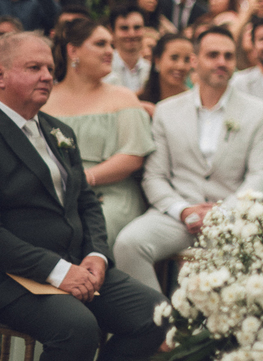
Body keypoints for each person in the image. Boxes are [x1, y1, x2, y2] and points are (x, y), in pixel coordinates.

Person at [0, 32, 167, 361]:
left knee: (157, 315)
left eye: (50, 68)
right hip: (12, 274)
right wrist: (57, 270)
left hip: (76, 264)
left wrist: (96, 254)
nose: (47, 76)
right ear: (1, 76)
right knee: (77, 329)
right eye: (34, 68)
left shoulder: (57, 131)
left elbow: (86, 202)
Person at [113, 26, 263, 293]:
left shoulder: (257, 112)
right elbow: (154, 176)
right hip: (177, 215)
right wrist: (182, 210)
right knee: (128, 244)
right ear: (194, 61)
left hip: (231, 216)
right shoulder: (167, 111)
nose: (221, 62)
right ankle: (160, 318)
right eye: (213, 55)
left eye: (228, 56)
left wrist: (223, 211)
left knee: (251, 254)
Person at [41, 18, 154, 244]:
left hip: (111, 193)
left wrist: (84, 179)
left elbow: (133, 156)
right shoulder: (44, 100)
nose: (110, 51)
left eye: (111, 45)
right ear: (73, 51)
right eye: (101, 44)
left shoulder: (122, 97)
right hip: (53, 193)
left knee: (89, 229)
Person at [103, 3, 149, 94]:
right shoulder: (103, 69)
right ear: (112, 31)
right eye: (124, 28)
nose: (131, 34)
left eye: (137, 28)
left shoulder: (151, 70)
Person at [139, 32, 193, 106]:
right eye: (174, 58)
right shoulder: (138, 101)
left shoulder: (195, 103)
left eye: (187, 60)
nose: (181, 66)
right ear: (157, 60)